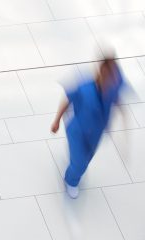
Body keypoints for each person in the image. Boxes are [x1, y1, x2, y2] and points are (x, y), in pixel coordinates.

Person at [50, 56, 127, 199]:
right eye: (108, 75)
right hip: (77, 131)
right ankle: (70, 181)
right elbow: (68, 99)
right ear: (101, 71)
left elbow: (117, 100)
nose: (111, 80)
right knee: (79, 164)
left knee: (85, 159)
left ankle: (74, 166)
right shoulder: (84, 87)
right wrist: (57, 120)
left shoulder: (114, 87)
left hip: (96, 133)